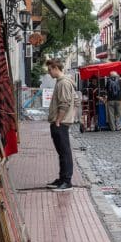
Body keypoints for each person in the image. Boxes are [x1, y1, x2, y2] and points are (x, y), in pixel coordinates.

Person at [46, 60, 77, 191]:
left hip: (61, 122)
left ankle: (66, 180)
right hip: (61, 121)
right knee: (62, 152)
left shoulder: (63, 83)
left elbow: (64, 103)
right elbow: (76, 100)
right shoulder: (62, 82)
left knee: (64, 152)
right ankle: (62, 178)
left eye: (49, 70)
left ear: (55, 68)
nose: (49, 73)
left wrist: (59, 120)